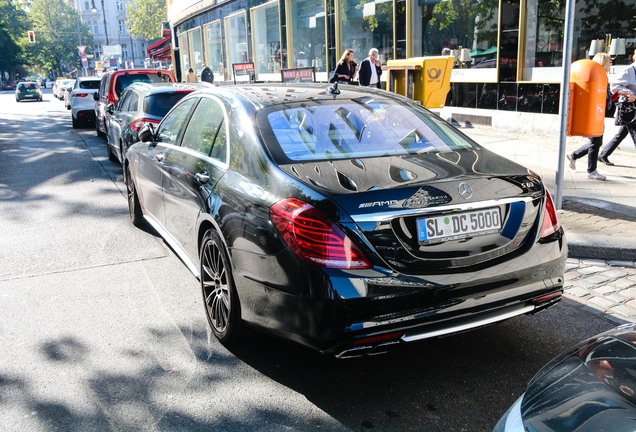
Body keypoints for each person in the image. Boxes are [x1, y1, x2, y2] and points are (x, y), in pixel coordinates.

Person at [567, 52, 613, 181]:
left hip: (598, 114)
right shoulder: (597, 76)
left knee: (596, 142)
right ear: (603, 63)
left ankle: (574, 155)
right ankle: (591, 170)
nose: (611, 64)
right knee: (596, 142)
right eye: (609, 62)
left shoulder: (602, 76)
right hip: (595, 114)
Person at [598, 49, 636, 166]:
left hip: (633, 108)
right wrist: (629, 93)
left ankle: (603, 154)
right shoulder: (629, 70)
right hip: (629, 108)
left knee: (622, 133)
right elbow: (614, 86)